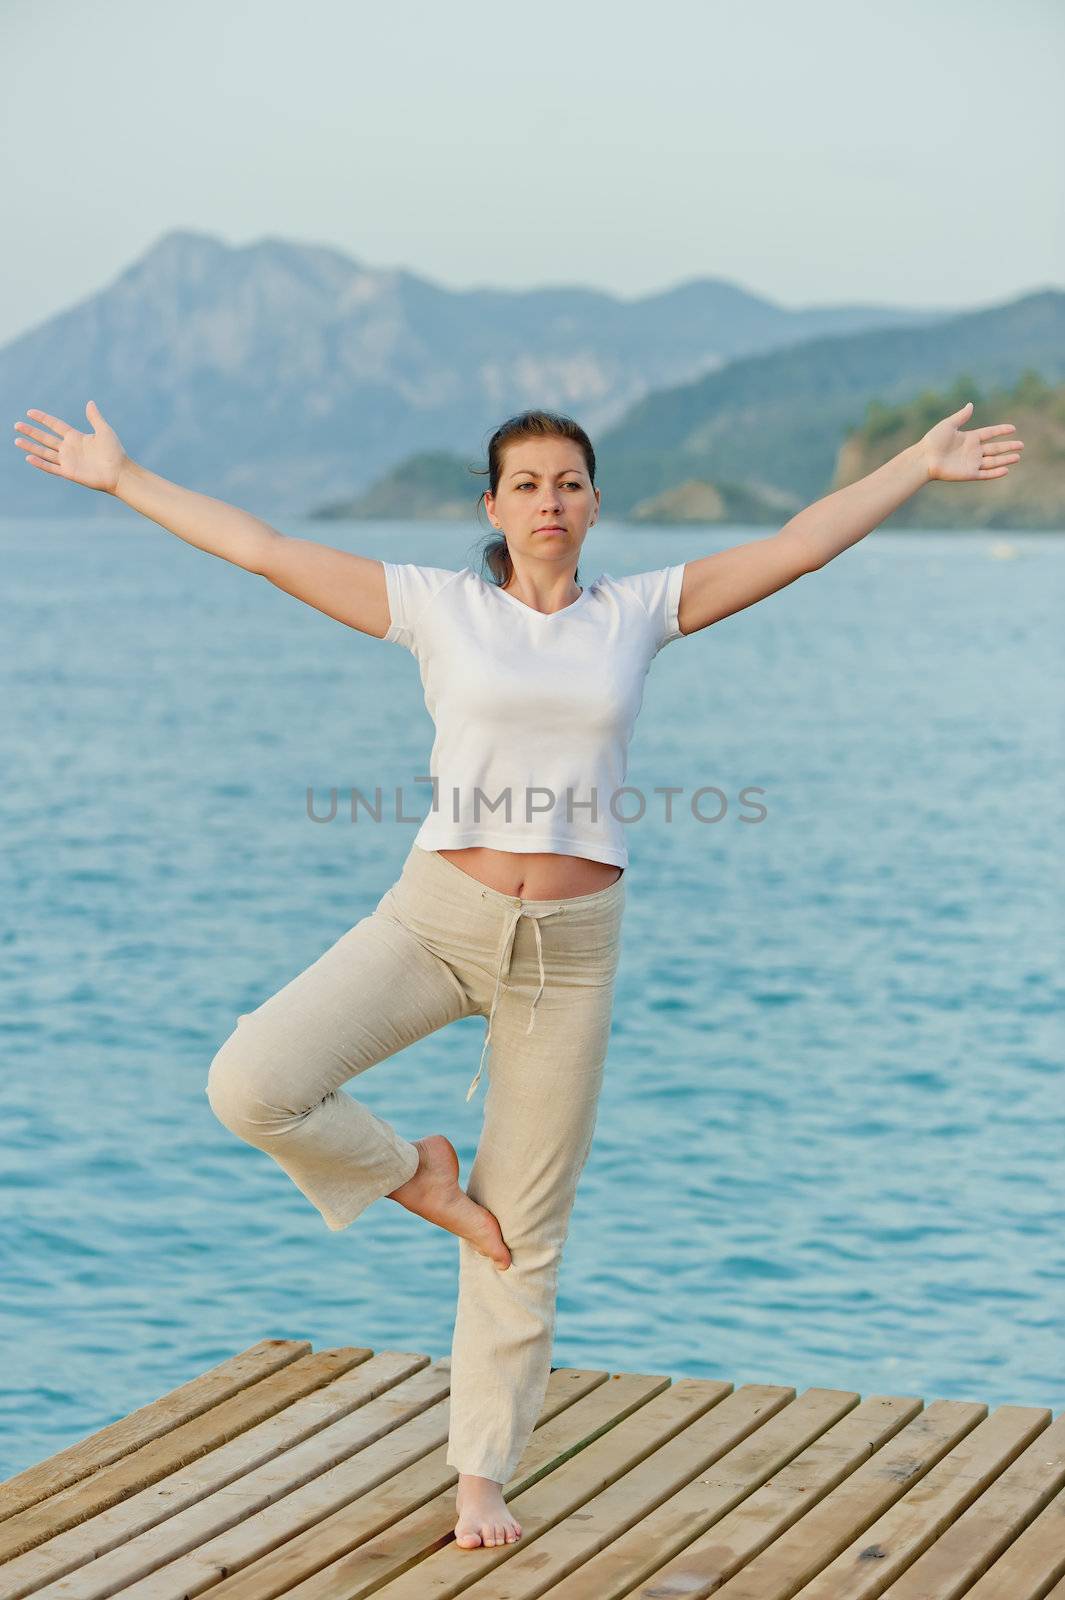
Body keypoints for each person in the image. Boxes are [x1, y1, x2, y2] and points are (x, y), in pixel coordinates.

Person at [14, 396, 1022, 1551]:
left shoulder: (637, 613)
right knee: (254, 1080)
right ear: (492, 506)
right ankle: (419, 1178)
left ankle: (479, 1472)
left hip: (571, 954)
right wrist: (126, 475)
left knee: (525, 1228)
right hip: (435, 916)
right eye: (528, 484)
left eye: (570, 482)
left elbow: (799, 540)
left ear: (596, 504)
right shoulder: (438, 607)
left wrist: (915, 463)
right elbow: (264, 546)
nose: (550, 501)